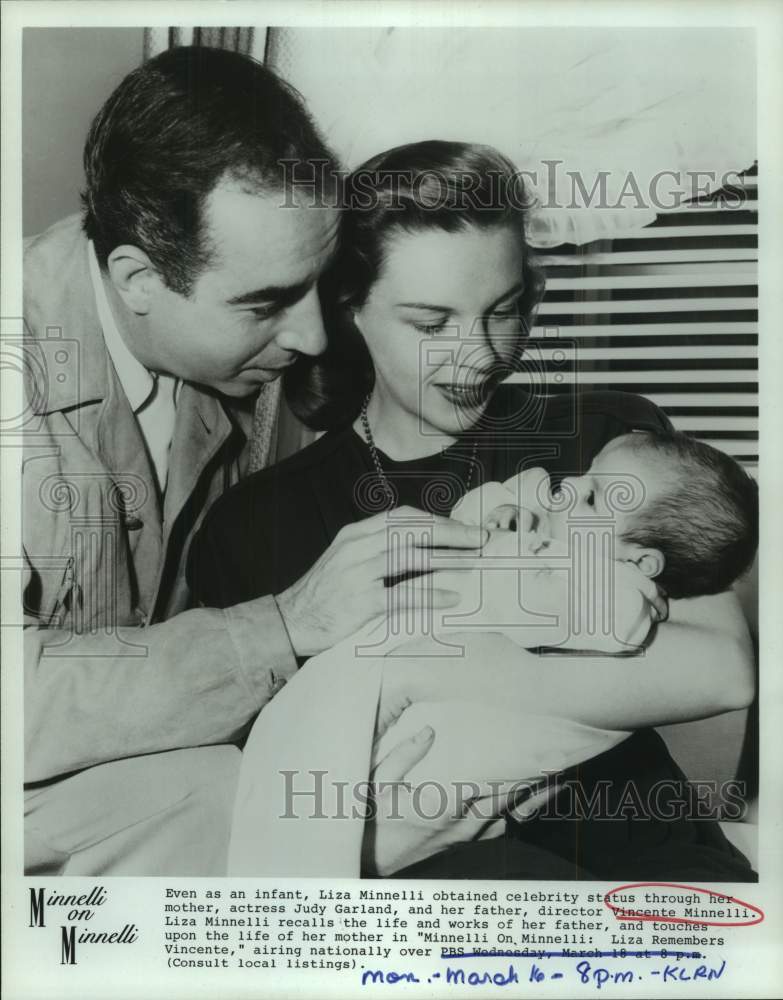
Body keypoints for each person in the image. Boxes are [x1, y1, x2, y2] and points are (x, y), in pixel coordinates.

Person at [190, 140, 757, 880]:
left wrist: (421, 669)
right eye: (431, 324)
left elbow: (721, 669)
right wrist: (375, 850)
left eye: (503, 310)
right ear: (348, 308)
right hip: (398, 899)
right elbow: (260, 790)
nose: (480, 355)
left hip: (641, 872)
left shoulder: (604, 443)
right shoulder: (255, 523)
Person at [22, 50, 487, 876]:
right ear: (135, 278)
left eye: (316, 286)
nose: (310, 337)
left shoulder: (221, 360)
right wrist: (284, 626)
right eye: (266, 303)